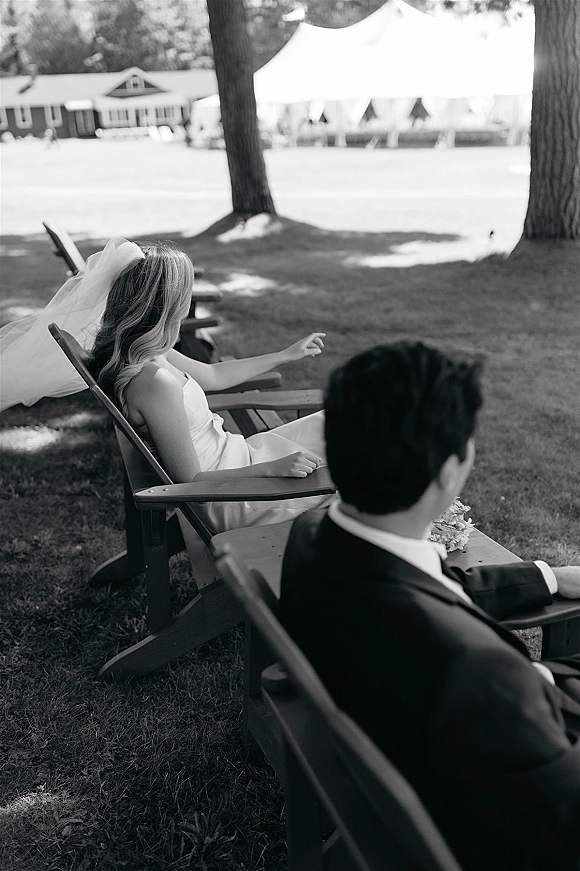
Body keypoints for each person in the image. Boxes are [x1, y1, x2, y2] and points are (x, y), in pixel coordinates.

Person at [280, 342, 580, 871]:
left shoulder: (316, 539)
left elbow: (423, 585)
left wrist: (549, 577)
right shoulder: (478, 673)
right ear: (448, 472)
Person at [0, 237, 333, 532]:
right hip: (236, 496)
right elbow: (191, 481)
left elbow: (215, 376)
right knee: (363, 467)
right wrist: (271, 469)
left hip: (241, 459)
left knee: (342, 421)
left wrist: (285, 355)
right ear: (170, 304)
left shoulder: (152, 354)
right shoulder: (154, 382)